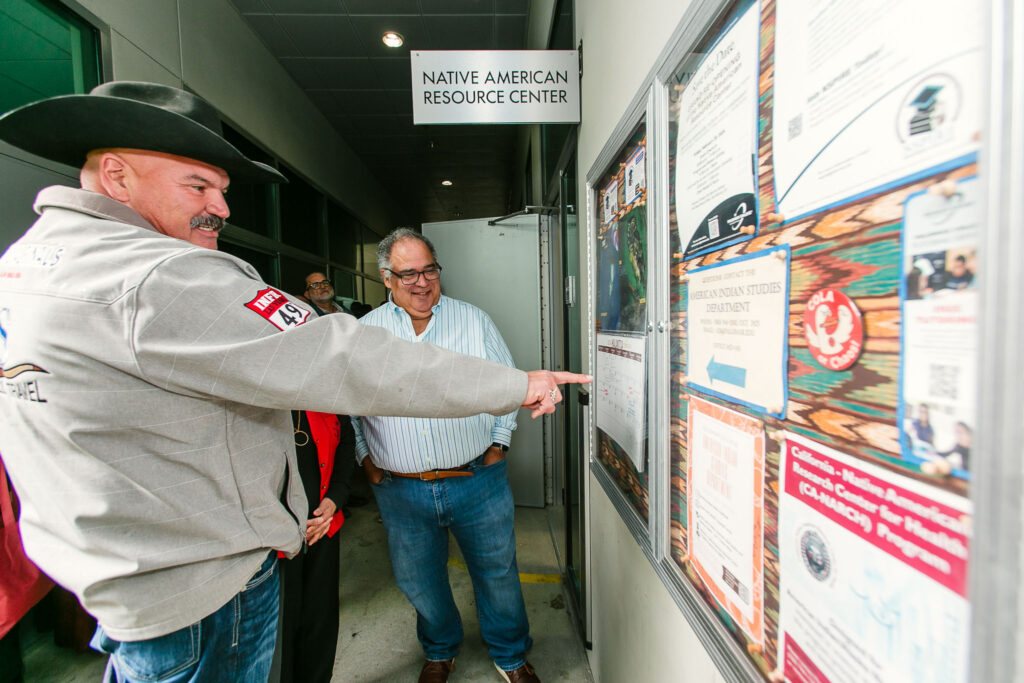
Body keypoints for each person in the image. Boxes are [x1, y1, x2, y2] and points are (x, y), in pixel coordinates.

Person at [0, 82, 589, 682]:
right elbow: (345, 362)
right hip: (195, 594)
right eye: (198, 186)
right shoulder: (158, 277)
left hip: (135, 586)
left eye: (222, 190)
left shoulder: (25, 267)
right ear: (118, 176)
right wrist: (520, 384)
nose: (222, 209)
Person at [352, 229, 540, 683]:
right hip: (401, 488)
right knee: (420, 582)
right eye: (408, 273)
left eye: (429, 270)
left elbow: (509, 382)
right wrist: (366, 459)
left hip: (477, 478)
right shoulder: (364, 333)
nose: (422, 282)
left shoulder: (473, 321)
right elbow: (350, 404)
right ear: (386, 278)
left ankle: (511, 656)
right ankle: (439, 650)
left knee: (497, 573)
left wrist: (499, 443)